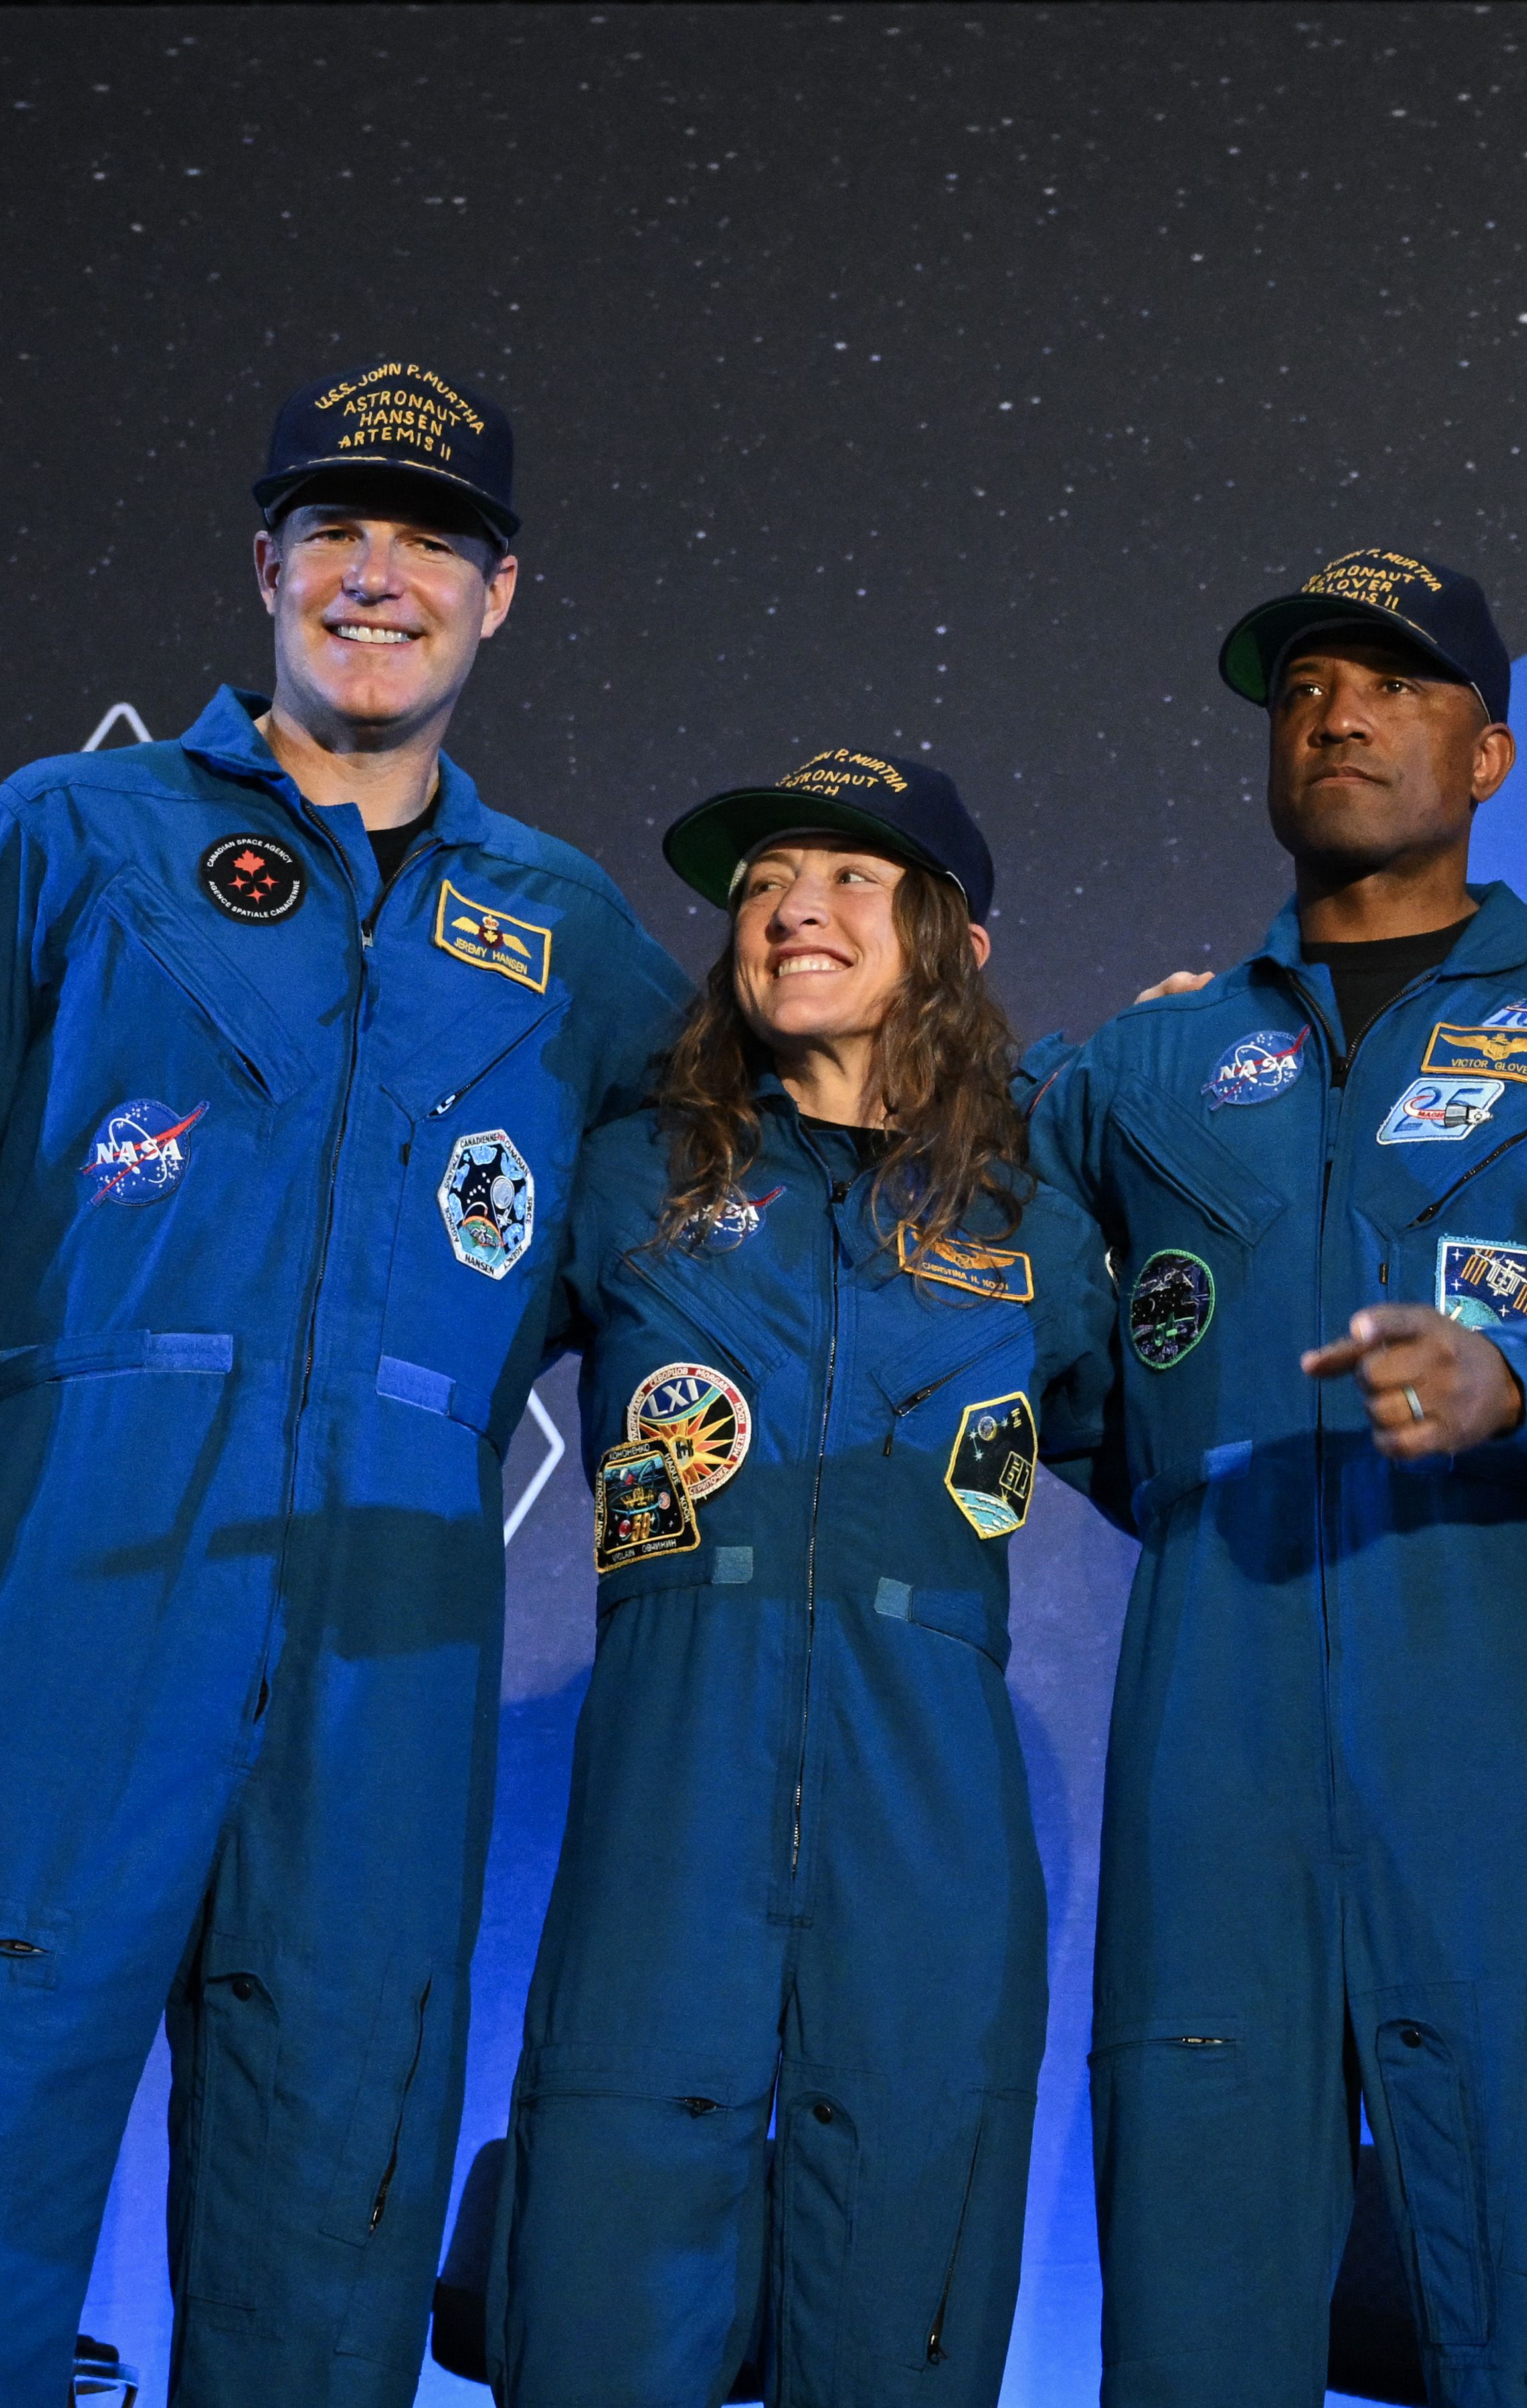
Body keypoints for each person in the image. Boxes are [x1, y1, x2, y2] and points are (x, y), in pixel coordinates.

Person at [0, 361, 691, 2406]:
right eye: (335, 529)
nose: (378, 575)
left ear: (499, 594)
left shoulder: (568, 932)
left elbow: (760, 1181)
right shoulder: (70, 831)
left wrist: (1031, 1082)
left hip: (392, 1626)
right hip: (70, 1585)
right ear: (264, 565)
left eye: (430, 540)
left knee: (329, 2235)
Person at [1029, 555, 1527, 2408]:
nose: (1339, 713)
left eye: (1395, 683)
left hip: (1499, 1728)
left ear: (1489, 754)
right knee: (1191, 2314)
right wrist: (1207, 1497)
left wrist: (1510, 1377)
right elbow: (1042, 1361)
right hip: (1213, 1736)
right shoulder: (1142, 1063)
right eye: (1304, 685)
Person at [486, 748, 1115, 2408]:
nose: (790, 908)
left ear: (957, 939)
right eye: (764, 883)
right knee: (600, 2304)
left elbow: (1186, 1457)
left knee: (904, 2304)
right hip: (667, 1810)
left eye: (848, 876)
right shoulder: (629, 1174)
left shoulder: (1037, 1220)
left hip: (932, 1824)